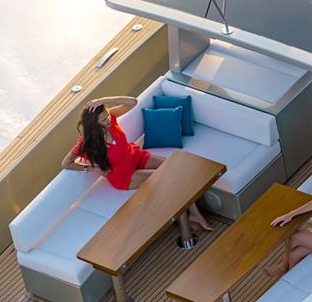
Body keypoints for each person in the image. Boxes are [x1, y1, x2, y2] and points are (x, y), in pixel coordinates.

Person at [61, 96, 212, 231]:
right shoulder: (86, 143)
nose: (108, 119)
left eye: (107, 115)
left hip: (135, 156)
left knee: (175, 167)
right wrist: (93, 169)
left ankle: (193, 215)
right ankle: (190, 217)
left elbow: (132, 102)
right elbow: (66, 163)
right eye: (103, 120)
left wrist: (103, 100)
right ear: (94, 124)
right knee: (167, 178)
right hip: (123, 174)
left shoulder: (111, 118)